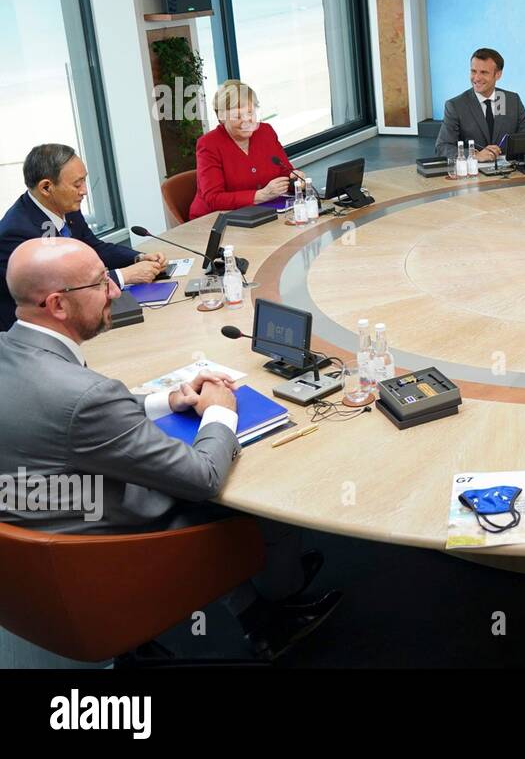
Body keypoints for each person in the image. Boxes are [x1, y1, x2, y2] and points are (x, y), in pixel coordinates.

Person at [0, 237, 342, 659]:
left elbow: (73, 416)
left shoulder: (13, 349)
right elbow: (203, 477)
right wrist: (220, 412)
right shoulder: (84, 396)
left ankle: (258, 620)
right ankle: (280, 590)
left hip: (34, 535)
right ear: (56, 304)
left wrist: (168, 400)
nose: (115, 290)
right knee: (261, 497)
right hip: (105, 553)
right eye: (99, 283)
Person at [0, 144, 164, 331]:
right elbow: (55, 288)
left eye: (84, 181)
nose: (84, 191)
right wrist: (124, 276)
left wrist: (137, 258)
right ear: (46, 187)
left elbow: (95, 248)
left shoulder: (65, 207)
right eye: (77, 184)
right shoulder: (15, 233)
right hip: (34, 335)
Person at [190, 80, 302, 220]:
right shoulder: (208, 144)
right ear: (221, 117)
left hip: (262, 215)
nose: (247, 120)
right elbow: (214, 199)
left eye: (250, 112)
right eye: (238, 116)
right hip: (215, 222)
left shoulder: (265, 132)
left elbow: (284, 171)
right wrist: (261, 195)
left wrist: (295, 180)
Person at [434, 48, 525, 162]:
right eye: (473, 71)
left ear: (498, 75)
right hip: (473, 173)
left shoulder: (511, 100)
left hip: (509, 172)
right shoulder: (455, 106)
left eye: (484, 72)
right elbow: (442, 147)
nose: (476, 78)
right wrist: (474, 155)